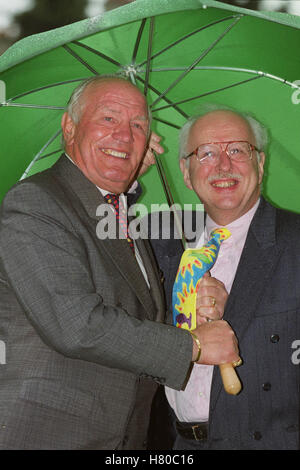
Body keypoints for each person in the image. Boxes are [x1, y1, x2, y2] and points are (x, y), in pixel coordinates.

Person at [0, 77, 239, 450]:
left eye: (139, 126)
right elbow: (76, 324)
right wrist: (191, 345)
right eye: (109, 119)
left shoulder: (115, 210)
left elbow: (129, 306)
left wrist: (192, 309)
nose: (125, 136)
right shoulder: (34, 203)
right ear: (69, 127)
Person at [150, 107, 300, 450]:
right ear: (186, 174)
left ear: (260, 164)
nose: (223, 165)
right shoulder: (163, 247)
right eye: (206, 153)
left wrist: (233, 309)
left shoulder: (295, 241)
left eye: (237, 150)